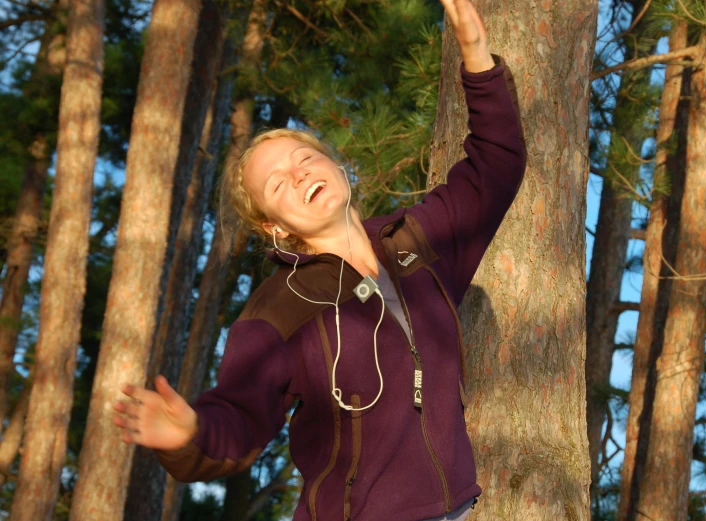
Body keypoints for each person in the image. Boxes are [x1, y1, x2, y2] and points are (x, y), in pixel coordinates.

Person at [112, 1, 526, 519]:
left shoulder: (414, 240)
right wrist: (190, 435)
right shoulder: (278, 309)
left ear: (337, 165)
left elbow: (497, 165)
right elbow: (239, 415)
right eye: (277, 183)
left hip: (458, 511)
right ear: (274, 226)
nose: (300, 174)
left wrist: (475, 53)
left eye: (305, 158)